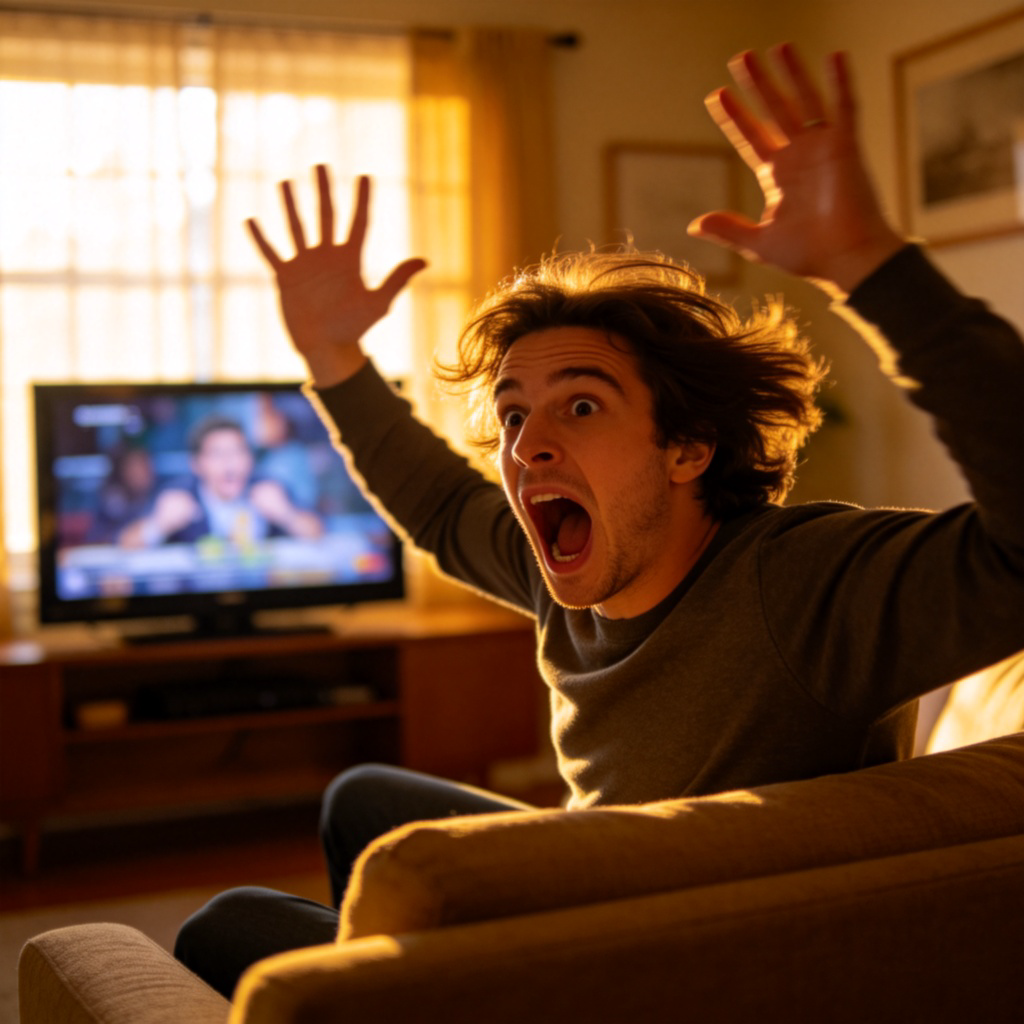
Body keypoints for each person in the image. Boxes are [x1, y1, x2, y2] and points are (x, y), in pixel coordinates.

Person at [175, 44, 1024, 997]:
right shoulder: (562, 563)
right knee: (361, 799)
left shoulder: (804, 584)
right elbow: (440, 505)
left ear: (688, 448)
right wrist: (334, 356)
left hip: (658, 963)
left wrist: (874, 268)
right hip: (607, 871)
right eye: (512, 412)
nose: (529, 444)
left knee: (232, 924)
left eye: (580, 405)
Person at [119, 415, 323, 547]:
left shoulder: (268, 487)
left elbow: (317, 533)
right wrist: (159, 524)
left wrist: (286, 514)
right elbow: (125, 544)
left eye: (238, 451)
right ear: (196, 464)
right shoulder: (179, 492)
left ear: (250, 459)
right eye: (217, 454)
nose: (230, 463)